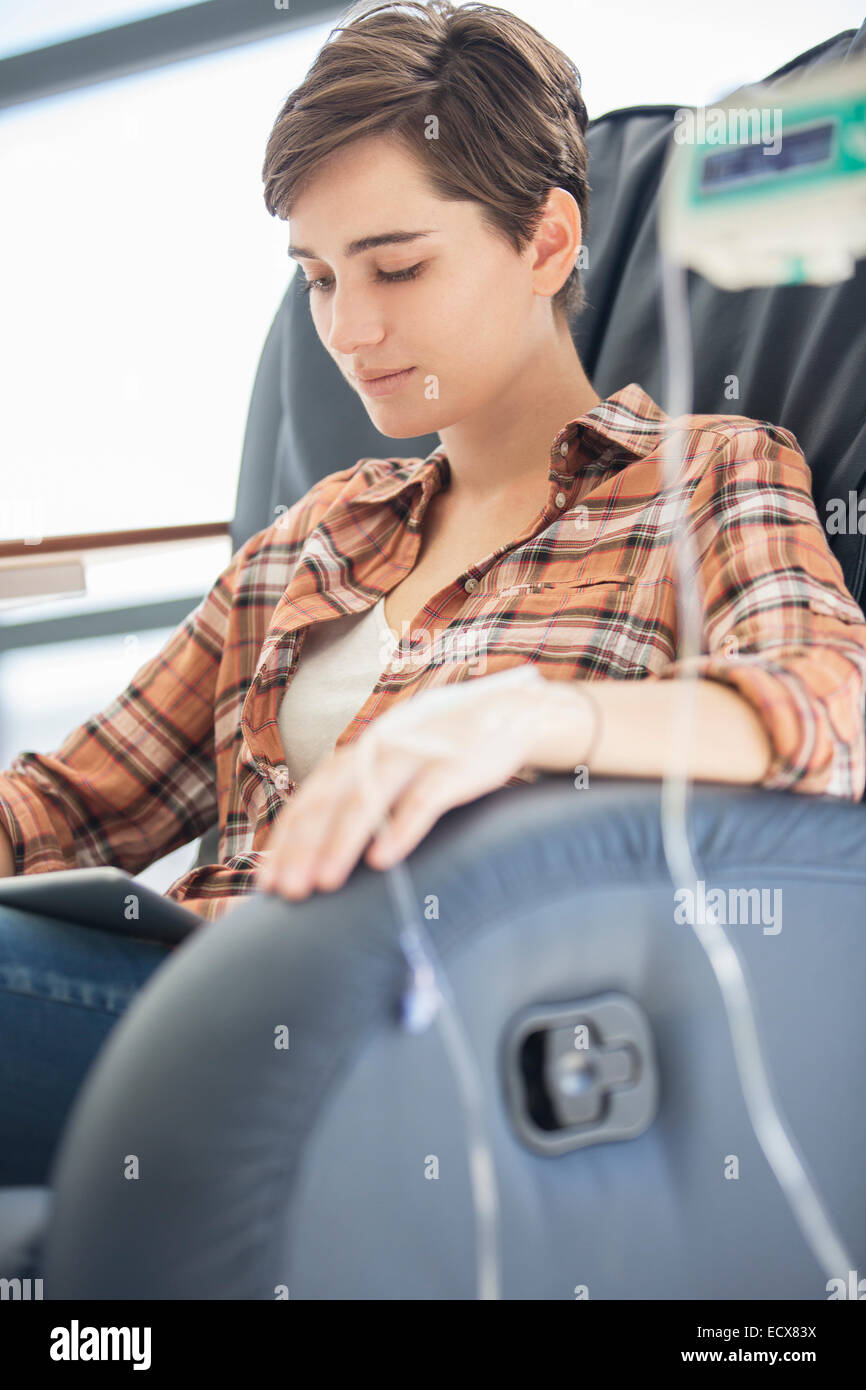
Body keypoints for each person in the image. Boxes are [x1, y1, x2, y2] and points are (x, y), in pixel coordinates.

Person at [2, 0, 866, 1184]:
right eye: (316, 278)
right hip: (176, 996)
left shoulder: (701, 474)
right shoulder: (312, 535)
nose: (348, 331)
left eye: (397, 266)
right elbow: (64, 808)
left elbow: (827, 708)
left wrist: (532, 712)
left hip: (397, 1046)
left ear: (547, 243)